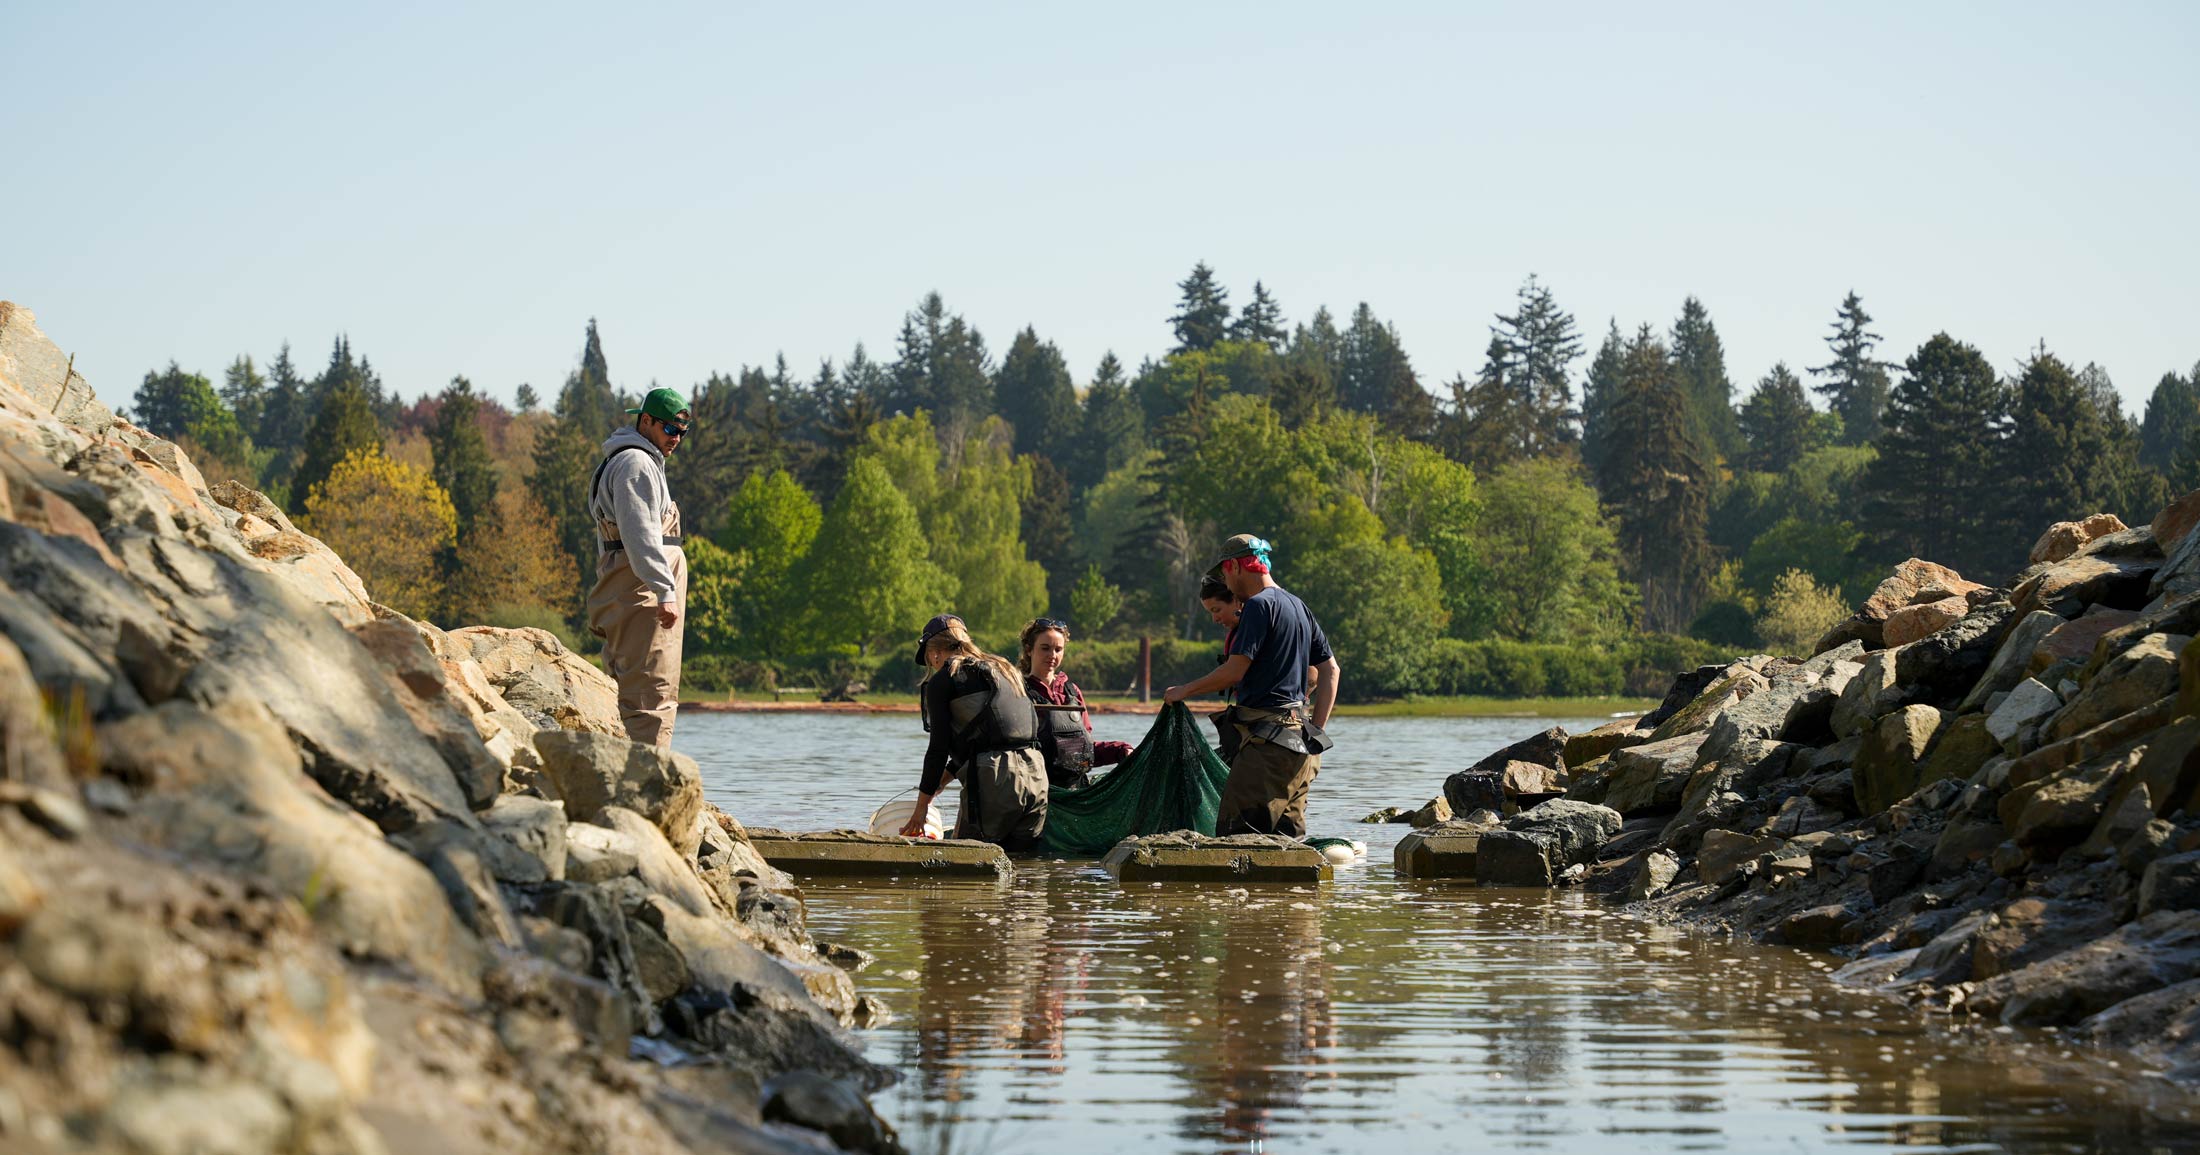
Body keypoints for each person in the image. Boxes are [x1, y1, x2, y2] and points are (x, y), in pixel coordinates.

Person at [1164, 534, 1341, 837]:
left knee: (1236, 840)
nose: (1227, 585)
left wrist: (1185, 690)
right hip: (1303, 750)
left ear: (1234, 567)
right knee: (1289, 849)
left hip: (1267, 751)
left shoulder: (1259, 606)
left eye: (1225, 576)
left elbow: (1234, 671)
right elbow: (1330, 671)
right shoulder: (1298, 605)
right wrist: (1316, 732)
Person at [586, 386, 692, 748]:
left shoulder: (637, 461)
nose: (676, 439)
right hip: (642, 593)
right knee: (651, 695)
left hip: (635, 588)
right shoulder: (636, 464)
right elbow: (640, 535)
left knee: (636, 688)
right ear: (645, 421)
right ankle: (648, 785)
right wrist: (665, 591)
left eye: (682, 432)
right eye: (670, 429)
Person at [899, 614, 1049, 850]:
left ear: (934, 652)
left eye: (929, 657)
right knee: (1024, 865)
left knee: (969, 858)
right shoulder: (1004, 668)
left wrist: (921, 810)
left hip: (995, 782)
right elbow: (994, 733)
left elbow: (938, 749)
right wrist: (944, 779)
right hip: (1035, 774)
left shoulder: (946, 679)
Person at [1018, 617, 1133, 790]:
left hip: (1075, 794)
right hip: (1034, 793)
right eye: (1045, 648)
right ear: (1029, 650)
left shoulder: (1072, 691)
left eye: (1058, 649)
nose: (1052, 655)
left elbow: (1085, 752)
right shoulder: (1016, 690)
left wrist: (1121, 750)